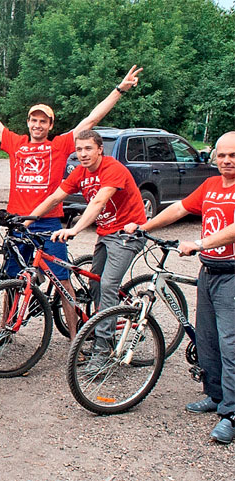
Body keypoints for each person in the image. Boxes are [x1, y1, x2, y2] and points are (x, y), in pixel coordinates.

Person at [0, 64, 142, 332]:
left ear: (50, 125)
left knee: (62, 281)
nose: (38, 124)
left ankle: (74, 338)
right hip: (20, 223)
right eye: (34, 120)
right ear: (28, 122)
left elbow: (90, 120)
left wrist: (119, 90)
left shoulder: (60, 145)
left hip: (49, 224)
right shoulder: (15, 143)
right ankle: (6, 329)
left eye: (43, 121)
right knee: (10, 279)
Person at [124, 131, 235, 445]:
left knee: (230, 345)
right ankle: (215, 395)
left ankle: (232, 413)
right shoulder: (212, 185)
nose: (226, 161)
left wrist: (198, 243)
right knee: (208, 339)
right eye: (223, 155)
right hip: (209, 271)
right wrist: (144, 225)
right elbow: (180, 208)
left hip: (232, 275)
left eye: (233, 156)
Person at [27, 130, 146, 343]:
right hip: (107, 233)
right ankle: (102, 324)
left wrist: (74, 229)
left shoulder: (113, 168)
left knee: (108, 285)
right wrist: (24, 221)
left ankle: (103, 348)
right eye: (79, 149)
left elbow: (99, 202)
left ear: (100, 149)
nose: (83, 154)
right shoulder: (81, 173)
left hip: (128, 234)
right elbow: (55, 198)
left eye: (88, 148)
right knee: (96, 284)